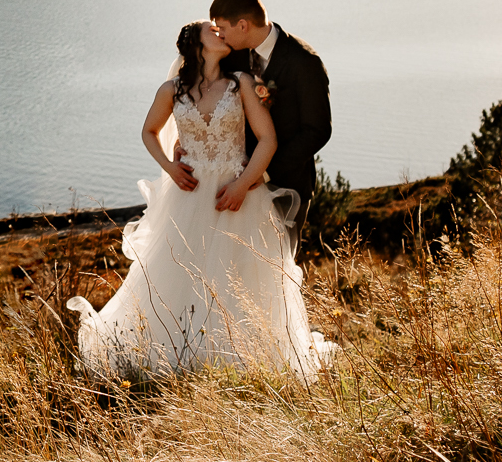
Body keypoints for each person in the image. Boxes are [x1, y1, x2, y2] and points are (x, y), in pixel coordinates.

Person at [66, 19, 334, 377]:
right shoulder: (171, 90)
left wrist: (244, 184)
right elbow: (149, 131)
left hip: (235, 193)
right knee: (178, 274)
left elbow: (267, 139)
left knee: (238, 277)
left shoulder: (243, 84)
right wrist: (169, 166)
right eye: (212, 30)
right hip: (187, 196)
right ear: (195, 43)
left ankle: (241, 360)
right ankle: (177, 356)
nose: (221, 32)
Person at [211, 0, 330, 258]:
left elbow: (317, 130)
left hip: (286, 183)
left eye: (222, 28)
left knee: (278, 267)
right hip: (235, 179)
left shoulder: (304, 62)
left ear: (243, 25)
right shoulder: (232, 55)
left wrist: (262, 173)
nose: (220, 35)